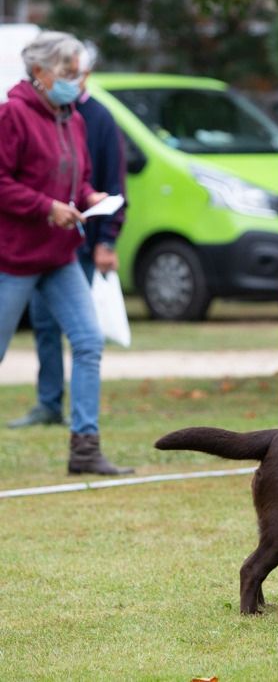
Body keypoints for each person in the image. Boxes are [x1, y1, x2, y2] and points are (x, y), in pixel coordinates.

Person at [0, 30, 133, 475]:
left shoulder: (72, 118)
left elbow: (78, 178)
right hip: (12, 258)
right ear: (40, 72)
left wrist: (89, 196)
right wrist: (46, 207)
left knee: (89, 342)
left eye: (79, 73)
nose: (77, 82)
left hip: (59, 257)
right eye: (68, 72)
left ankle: (85, 449)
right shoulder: (12, 115)